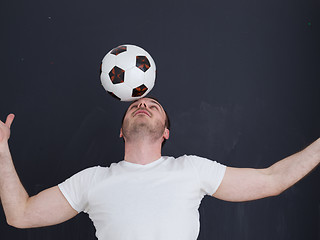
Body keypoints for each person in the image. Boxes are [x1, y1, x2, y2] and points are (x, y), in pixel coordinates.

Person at [0, 97, 319, 240]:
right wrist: (1, 148)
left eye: (153, 107)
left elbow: (273, 180)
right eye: (136, 105)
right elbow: (21, 215)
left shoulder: (191, 170)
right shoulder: (92, 180)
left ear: (166, 132)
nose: (143, 105)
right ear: (121, 131)